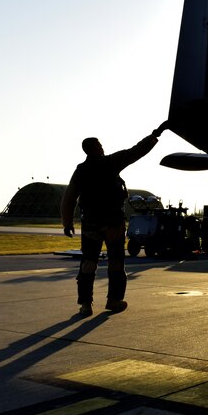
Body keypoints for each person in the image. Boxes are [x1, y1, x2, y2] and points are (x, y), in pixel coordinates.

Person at [61, 122, 168, 316]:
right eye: (99, 144)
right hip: (113, 224)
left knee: (88, 263)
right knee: (116, 263)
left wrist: (67, 223)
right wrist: (156, 134)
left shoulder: (81, 170)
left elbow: (69, 197)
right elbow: (137, 151)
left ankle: (85, 304)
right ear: (95, 147)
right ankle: (114, 300)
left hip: (91, 224)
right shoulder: (111, 163)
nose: (102, 147)